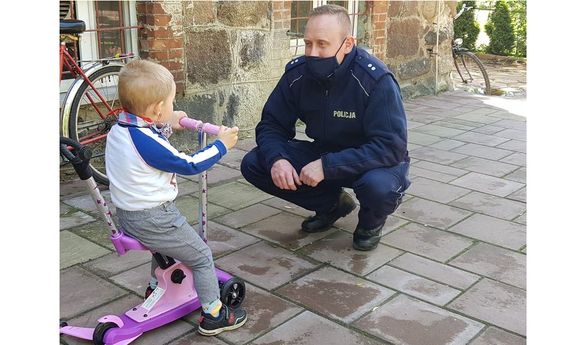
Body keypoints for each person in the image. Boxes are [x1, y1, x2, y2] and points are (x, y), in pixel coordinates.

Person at [241, 4, 410, 251]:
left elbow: (390, 147)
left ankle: (371, 223)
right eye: (308, 43)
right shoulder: (297, 75)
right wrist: (278, 159)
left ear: (348, 44)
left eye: (322, 44)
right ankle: (332, 204)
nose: (313, 52)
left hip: (373, 163)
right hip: (324, 154)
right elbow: (271, 125)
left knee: (378, 188)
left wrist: (328, 166)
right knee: (256, 163)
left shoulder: (375, 80)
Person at [105, 59, 247, 336]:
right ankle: (214, 314)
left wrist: (166, 123)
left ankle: (158, 287)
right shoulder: (146, 140)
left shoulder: (119, 130)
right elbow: (188, 164)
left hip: (128, 215)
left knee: (165, 248)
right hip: (155, 218)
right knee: (202, 257)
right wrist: (221, 146)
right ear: (157, 109)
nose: (171, 107)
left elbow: (148, 139)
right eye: (170, 103)